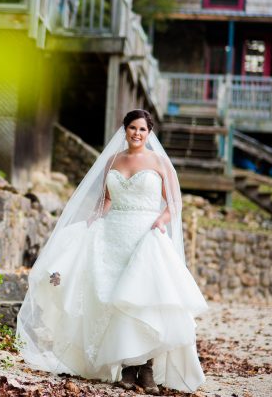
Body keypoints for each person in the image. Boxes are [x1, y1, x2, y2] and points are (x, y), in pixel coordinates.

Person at [16, 109, 208, 394]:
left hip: (145, 235)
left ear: (149, 133)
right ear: (125, 130)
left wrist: (160, 220)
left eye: (142, 130)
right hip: (114, 235)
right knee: (115, 299)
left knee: (144, 298)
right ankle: (128, 370)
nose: (137, 134)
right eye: (132, 128)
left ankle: (147, 370)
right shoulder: (112, 161)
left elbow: (174, 204)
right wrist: (93, 221)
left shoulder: (159, 163)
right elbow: (105, 199)